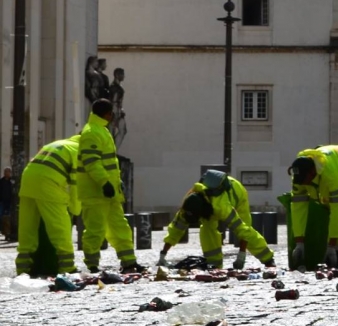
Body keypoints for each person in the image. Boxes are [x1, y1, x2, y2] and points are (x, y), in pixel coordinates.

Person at [157, 170, 275, 270]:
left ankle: (268, 259)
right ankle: (214, 264)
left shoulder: (221, 208)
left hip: (237, 194)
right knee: (207, 230)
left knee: (246, 229)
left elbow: (242, 229)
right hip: (209, 207)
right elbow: (176, 228)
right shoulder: (189, 205)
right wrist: (163, 254)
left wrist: (242, 253)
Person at [79, 99, 142, 273]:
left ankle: (129, 261)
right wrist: (104, 182)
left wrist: (115, 183)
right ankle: (92, 265)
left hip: (109, 192)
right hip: (96, 192)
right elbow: (92, 162)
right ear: (107, 114)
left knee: (120, 227)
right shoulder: (92, 132)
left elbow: (107, 164)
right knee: (95, 229)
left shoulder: (100, 130)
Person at [14, 136, 81, 275]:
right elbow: (76, 185)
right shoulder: (80, 151)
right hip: (48, 183)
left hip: (28, 180)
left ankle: (23, 268)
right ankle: (67, 267)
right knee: (60, 227)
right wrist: (75, 209)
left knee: (28, 228)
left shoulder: (59, 144)